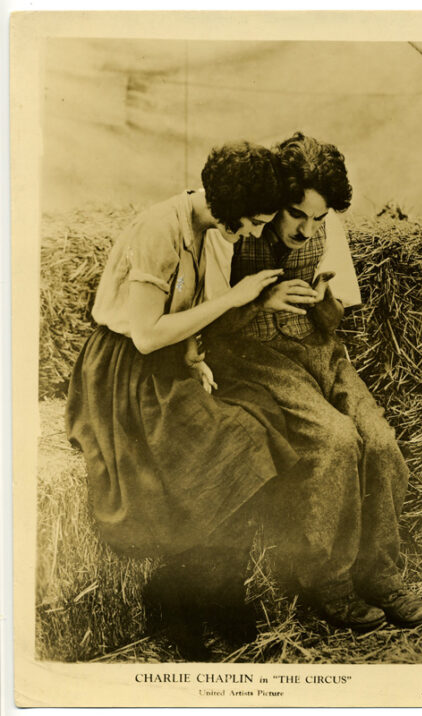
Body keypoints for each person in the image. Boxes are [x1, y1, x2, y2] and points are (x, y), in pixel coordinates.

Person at [65, 142, 303, 652]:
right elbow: (146, 334)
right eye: (254, 221)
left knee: (259, 417)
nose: (257, 232)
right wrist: (236, 299)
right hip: (123, 369)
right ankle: (176, 593)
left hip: (167, 360)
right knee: (223, 442)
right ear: (226, 206)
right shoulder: (160, 228)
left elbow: (184, 319)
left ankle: (218, 588)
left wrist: (196, 356)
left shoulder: (213, 229)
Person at [203, 132, 422, 632]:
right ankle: (327, 581)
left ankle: (379, 576)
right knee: (334, 442)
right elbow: (203, 324)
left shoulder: (329, 232)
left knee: (380, 441)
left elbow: (336, 318)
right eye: (296, 214)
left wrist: (322, 299)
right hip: (255, 356)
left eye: (319, 218)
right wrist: (258, 303)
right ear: (274, 203)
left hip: (318, 350)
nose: (307, 230)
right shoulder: (232, 231)